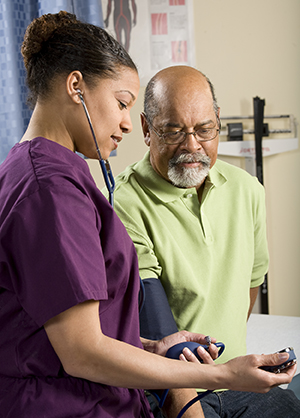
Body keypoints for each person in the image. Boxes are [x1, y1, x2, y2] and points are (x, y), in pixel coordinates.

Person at [0, 12, 297, 418]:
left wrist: (156, 347)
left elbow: (66, 330)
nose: (124, 123)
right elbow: (81, 353)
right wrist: (223, 374)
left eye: (204, 129)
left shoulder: (39, 172)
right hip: (72, 404)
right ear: (76, 87)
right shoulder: (51, 190)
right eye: (121, 103)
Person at [110, 65, 300, 417]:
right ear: (147, 130)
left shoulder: (247, 191)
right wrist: (190, 410)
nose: (191, 146)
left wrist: (228, 370)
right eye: (173, 131)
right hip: (168, 390)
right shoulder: (125, 201)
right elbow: (155, 326)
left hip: (237, 381)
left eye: (204, 129)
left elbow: (249, 287)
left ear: (218, 124)